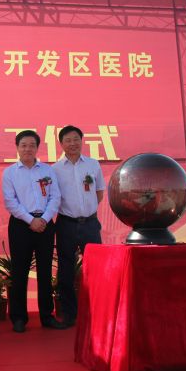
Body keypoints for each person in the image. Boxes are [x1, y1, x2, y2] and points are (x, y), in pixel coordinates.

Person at [2, 130, 66, 333]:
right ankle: (19, 318)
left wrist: (44, 219)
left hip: (45, 224)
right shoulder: (10, 173)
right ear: (17, 147)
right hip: (21, 224)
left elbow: (55, 197)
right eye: (23, 145)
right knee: (19, 271)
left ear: (37, 148)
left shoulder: (47, 171)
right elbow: (10, 202)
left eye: (32, 145)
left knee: (45, 271)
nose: (27, 149)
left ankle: (47, 316)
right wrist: (31, 220)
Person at [52, 125, 105, 327]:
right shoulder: (55, 170)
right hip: (66, 224)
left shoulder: (92, 164)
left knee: (96, 269)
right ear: (61, 144)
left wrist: (87, 210)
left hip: (90, 223)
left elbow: (99, 193)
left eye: (76, 139)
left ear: (81, 141)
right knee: (66, 271)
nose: (73, 143)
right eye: (68, 140)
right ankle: (69, 314)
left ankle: (97, 312)